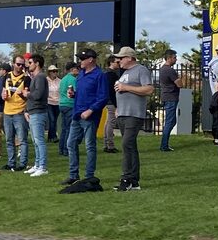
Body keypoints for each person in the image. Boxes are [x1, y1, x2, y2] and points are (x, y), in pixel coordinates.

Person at [112, 47, 154, 192]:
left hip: (134, 114)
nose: (119, 60)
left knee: (126, 144)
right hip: (123, 114)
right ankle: (134, 181)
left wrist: (126, 87)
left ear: (130, 58)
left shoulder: (141, 70)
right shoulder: (125, 73)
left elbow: (148, 89)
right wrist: (118, 108)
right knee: (130, 147)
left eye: (121, 58)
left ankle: (126, 178)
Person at [66, 49, 108, 186]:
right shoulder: (81, 75)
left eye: (82, 59)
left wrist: (91, 110)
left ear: (91, 59)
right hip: (77, 114)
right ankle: (73, 175)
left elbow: (103, 97)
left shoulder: (99, 75)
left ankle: (89, 175)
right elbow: (83, 93)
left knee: (90, 145)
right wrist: (74, 94)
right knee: (70, 143)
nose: (80, 62)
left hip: (89, 116)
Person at [1, 58, 29, 172]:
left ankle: (22, 163)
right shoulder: (6, 76)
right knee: (9, 140)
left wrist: (21, 94)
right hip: (7, 111)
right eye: (18, 64)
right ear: (13, 64)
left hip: (19, 111)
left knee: (22, 139)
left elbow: (27, 95)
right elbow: (3, 91)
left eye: (22, 65)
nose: (20, 67)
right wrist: (3, 95)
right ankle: (11, 163)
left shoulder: (26, 78)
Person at [24, 53, 50, 176]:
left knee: (39, 140)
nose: (28, 65)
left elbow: (38, 95)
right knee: (35, 140)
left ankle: (43, 167)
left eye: (30, 63)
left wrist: (27, 94)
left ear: (37, 63)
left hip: (38, 112)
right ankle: (38, 164)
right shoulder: (36, 77)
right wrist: (27, 110)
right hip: (33, 112)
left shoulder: (40, 77)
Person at [56, 60, 78, 158]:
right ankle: (66, 149)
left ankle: (61, 148)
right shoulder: (73, 79)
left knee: (64, 128)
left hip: (62, 104)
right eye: (77, 69)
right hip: (70, 104)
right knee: (70, 128)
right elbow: (76, 92)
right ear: (72, 69)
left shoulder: (63, 79)